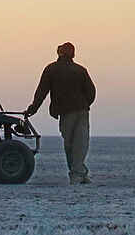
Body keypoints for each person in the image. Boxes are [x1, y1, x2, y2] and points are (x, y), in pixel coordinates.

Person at [25, 42, 95, 185]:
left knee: (70, 143)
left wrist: (33, 108)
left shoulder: (51, 69)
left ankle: (77, 173)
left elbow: (41, 92)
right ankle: (79, 173)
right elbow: (91, 92)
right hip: (81, 111)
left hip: (66, 112)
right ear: (73, 54)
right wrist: (85, 104)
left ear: (59, 53)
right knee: (81, 143)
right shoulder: (80, 70)